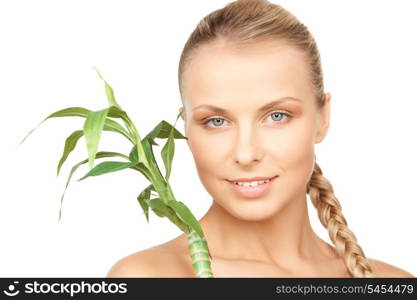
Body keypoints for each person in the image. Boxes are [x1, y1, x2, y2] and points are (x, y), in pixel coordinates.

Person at [107, 0, 414, 278]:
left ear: (323, 118)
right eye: (216, 121)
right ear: (187, 129)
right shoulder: (149, 278)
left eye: (277, 116)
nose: (245, 153)